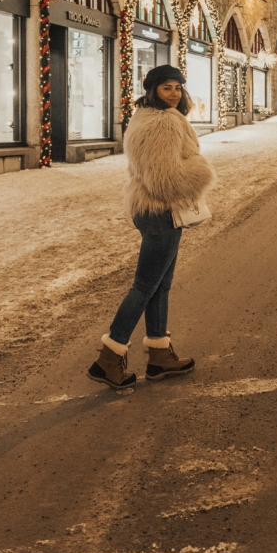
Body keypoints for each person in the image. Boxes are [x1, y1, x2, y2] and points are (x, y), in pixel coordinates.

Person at [87, 65, 215, 393]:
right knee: (144, 286)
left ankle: (159, 356)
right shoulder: (163, 123)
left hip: (153, 210)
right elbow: (164, 179)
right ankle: (108, 359)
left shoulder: (148, 117)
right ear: (152, 90)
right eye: (166, 88)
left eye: (177, 87)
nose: (173, 93)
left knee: (160, 286)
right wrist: (201, 170)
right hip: (160, 211)